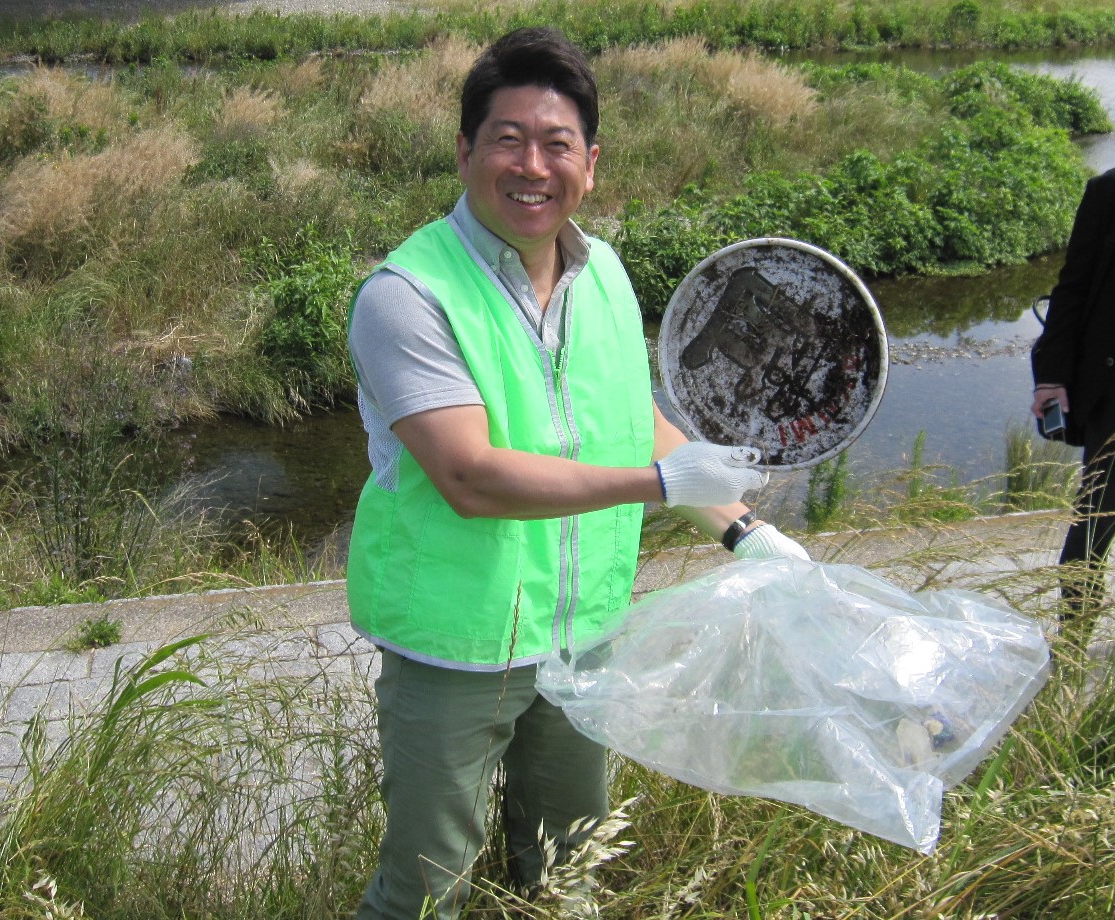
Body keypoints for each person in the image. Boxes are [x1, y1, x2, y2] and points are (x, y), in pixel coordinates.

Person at [345, 27, 809, 919]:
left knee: (568, 867)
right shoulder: (407, 296)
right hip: (457, 643)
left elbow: (636, 425)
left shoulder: (603, 276)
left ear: (589, 164)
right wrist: (660, 487)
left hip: (581, 634)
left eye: (556, 144)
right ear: (464, 153)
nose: (531, 165)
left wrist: (744, 529)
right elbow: (470, 477)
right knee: (425, 883)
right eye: (506, 139)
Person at [1031, 150, 1115, 624]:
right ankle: (1074, 641)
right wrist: (1052, 376)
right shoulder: (1114, 193)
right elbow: (1073, 287)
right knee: (1097, 514)